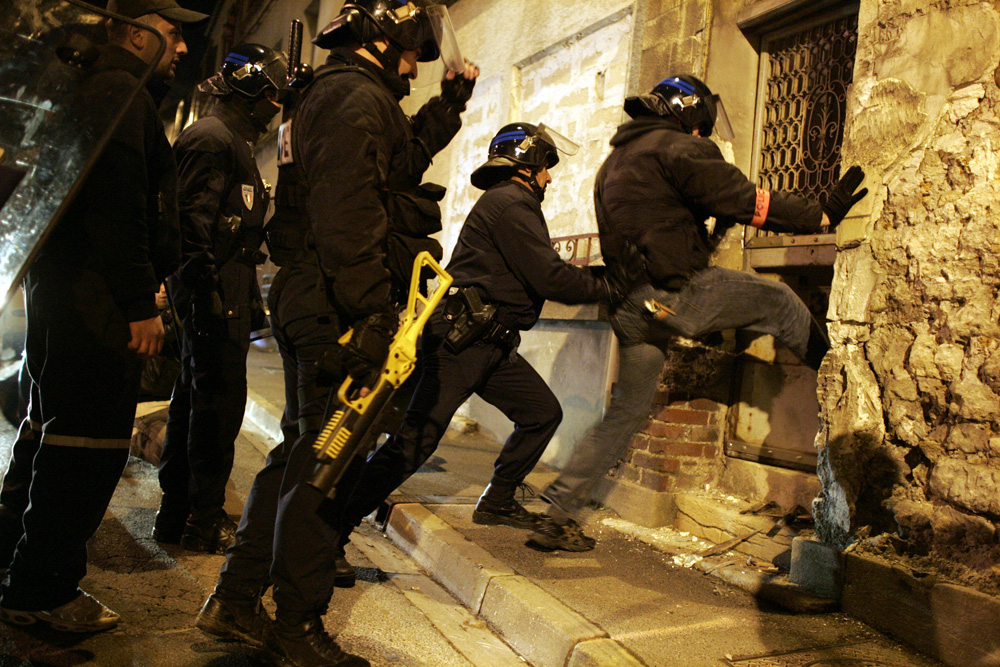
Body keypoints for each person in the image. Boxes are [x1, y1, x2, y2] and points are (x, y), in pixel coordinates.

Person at [194, 2, 477, 666]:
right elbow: (350, 216)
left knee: (300, 456)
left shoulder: (343, 93)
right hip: (333, 303)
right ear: (383, 42)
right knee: (327, 466)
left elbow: (397, 161)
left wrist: (449, 105)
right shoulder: (353, 101)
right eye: (412, 53)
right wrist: (375, 317)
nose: (415, 66)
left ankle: (236, 600)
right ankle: (297, 627)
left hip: (311, 295)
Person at [529, 73, 869, 552]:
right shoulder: (680, 149)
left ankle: (558, 512)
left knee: (625, 416)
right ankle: (841, 385)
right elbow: (747, 200)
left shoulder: (617, 160)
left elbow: (659, 226)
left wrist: (711, 229)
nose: (703, 136)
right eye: (702, 126)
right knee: (781, 303)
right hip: (675, 297)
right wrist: (819, 215)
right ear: (691, 115)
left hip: (630, 306)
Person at [335, 122, 631, 563]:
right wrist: (613, 284)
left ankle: (497, 500)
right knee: (414, 443)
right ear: (526, 164)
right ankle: (331, 532)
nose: (549, 177)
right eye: (545, 167)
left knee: (540, 413)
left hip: (488, 342)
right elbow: (549, 275)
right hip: (462, 341)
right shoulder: (512, 203)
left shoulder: (508, 203)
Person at [0, 0, 205, 631]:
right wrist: (140, 303)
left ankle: (14, 559)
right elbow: (120, 208)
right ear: (137, 33)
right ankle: (44, 593)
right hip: (95, 305)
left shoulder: (88, 87)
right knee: (86, 444)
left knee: (48, 429)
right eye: (173, 35)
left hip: (63, 294)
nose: (182, 50)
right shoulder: (121, 93)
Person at [153, 44, 287, 554]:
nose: (275, 104)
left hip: (225, 292)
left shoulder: (231, 140)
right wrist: (207, 295)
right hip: (212, 296)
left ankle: (182, 516)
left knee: (199, 405)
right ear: (251, 90)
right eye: (270, 93)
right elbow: (192, 226)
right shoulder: (213, 139)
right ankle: (198, 520)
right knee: (212, 411)